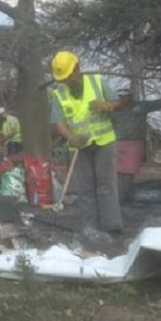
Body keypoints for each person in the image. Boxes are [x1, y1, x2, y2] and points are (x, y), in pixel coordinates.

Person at [50, 50, 125, 233]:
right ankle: (91, 228)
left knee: (106, 186)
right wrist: (71, 137)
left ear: (77, 68)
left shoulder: (97, 82)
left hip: (104, 142)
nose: (67, 81)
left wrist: (108, 105)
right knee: (85, 189)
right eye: (63, 78)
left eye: (68, 76)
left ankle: (111, 228)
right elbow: (59, 122)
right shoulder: (59, 94)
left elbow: (120, 103)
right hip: (80, 147)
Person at [112, 85, 161, 203]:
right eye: (120, 97)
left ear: (130, 97)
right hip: (115, 144)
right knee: (114, 172)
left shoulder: (140, 106)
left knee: (128, 172)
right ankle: (115, 199)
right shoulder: (112, 110)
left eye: (126, 97)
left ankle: (121, 198)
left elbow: (158, 103)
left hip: (133, 145)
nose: (123, 100)